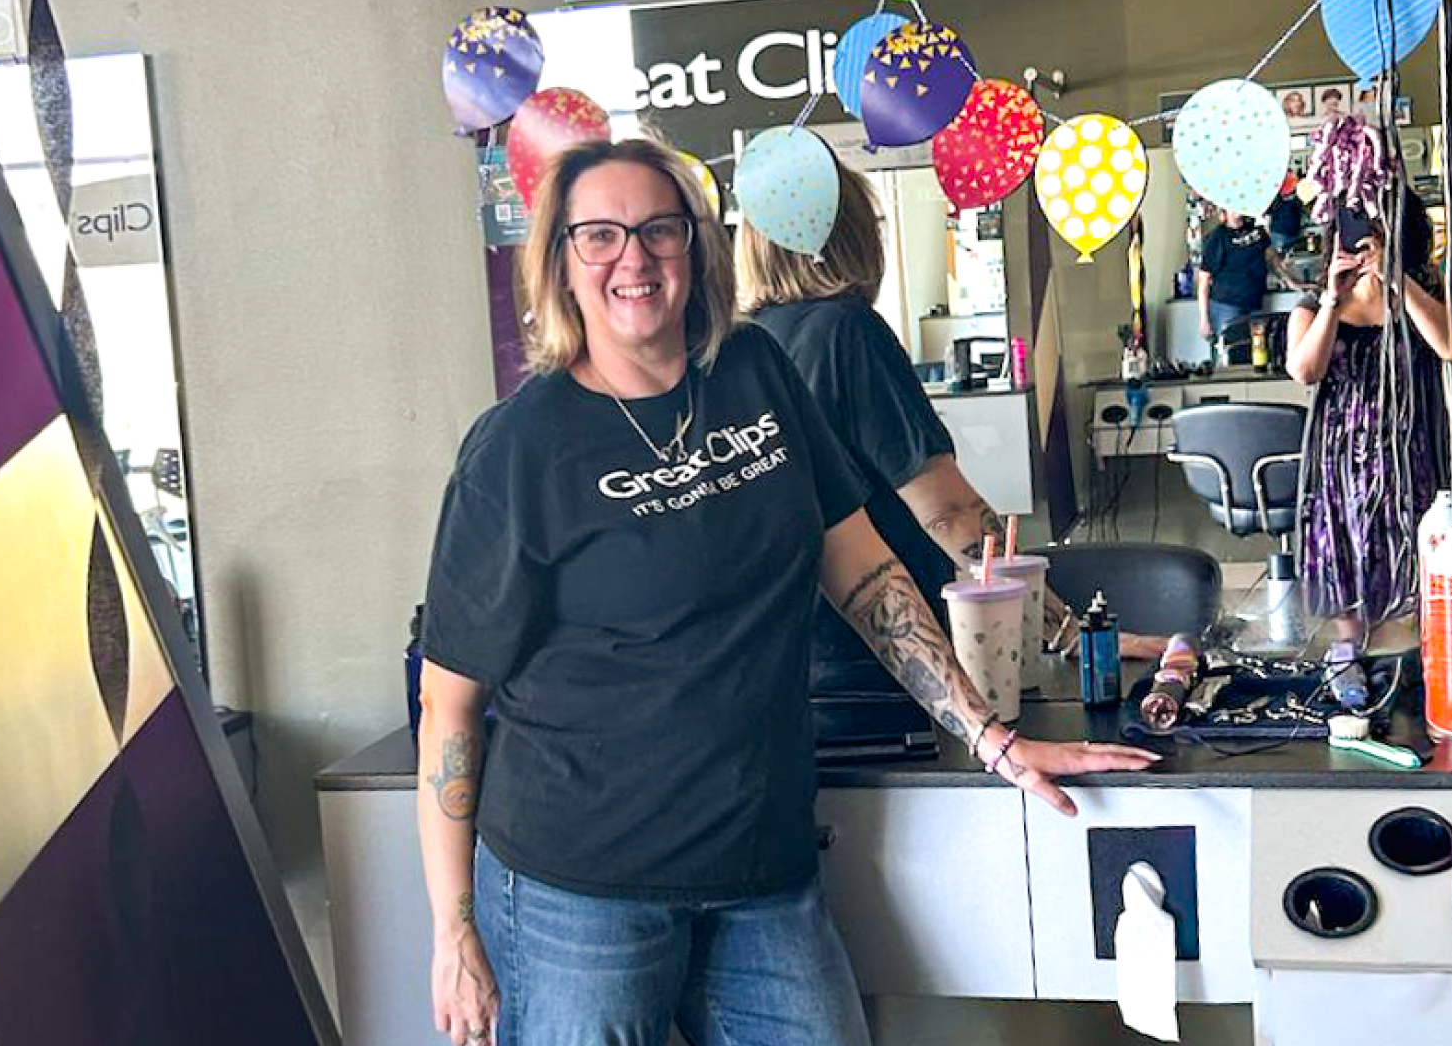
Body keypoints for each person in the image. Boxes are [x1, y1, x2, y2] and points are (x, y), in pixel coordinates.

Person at [416, 137, 1159, 1046]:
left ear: (697, 245)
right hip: (580, 890)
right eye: (600, 236)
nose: (634, 258)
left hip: (760, 863)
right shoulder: (519, 449)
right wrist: (453, 927)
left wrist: (994, 741)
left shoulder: (757, 374)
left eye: (659, 230)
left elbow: (866, 574)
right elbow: (448, 707)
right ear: (561, 262)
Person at [736, 160, 1078, 700]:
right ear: (849, 235)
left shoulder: (744, 346)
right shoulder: (848, 331)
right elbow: (949, 513)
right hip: (887, 659)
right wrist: (1067, 632)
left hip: (798, 661)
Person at [1284, 188, 1452, 641]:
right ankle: (1350, 658)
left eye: (1379, 230)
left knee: (1411, 557)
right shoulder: (1312, 305)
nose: (1365, 242)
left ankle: (1414, 660)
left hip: (1408, 453)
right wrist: (1332, 302)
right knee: (1345, 552)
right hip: (1340, 456)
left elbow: (1448, 346)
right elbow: (1304, 370)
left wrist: (1395, 276)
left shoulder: (1425, 288)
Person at [1196, 209, 1296, 347]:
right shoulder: (1217, 237)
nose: (1237, 210)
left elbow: (1272, 260)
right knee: (1229, 351)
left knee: (1255, 351)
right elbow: (1203, 280)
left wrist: (1290, 281)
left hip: (1253, 302)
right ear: (1224, 212)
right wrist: (1203, 319)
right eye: (1232, 207)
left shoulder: (1258, 232)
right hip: (1227, 304)